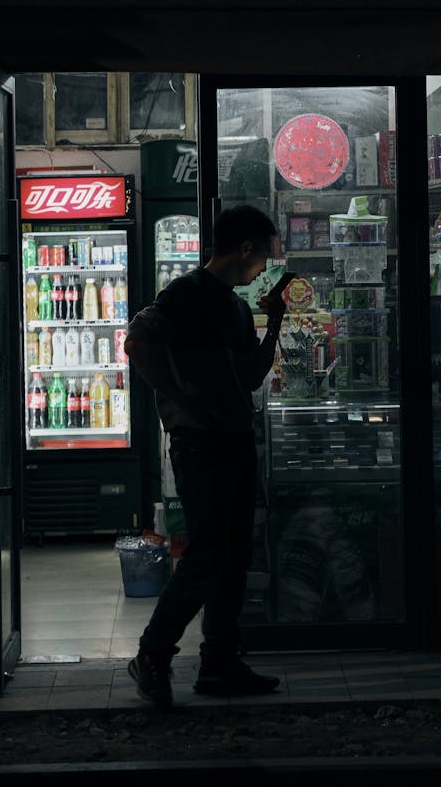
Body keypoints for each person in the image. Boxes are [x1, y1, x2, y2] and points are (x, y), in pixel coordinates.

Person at [124, 204, 287, 708]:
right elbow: (137, 343)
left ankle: (219, 661)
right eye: (264, 254)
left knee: (232, 555)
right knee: (207, 554)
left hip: (234, 438)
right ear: (245, 249)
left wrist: (274, 321)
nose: (266, 265)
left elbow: (252, 377)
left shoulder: (238, 307)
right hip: (202, 444)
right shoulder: (188, 293)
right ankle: (152, 652)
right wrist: (185, 400)